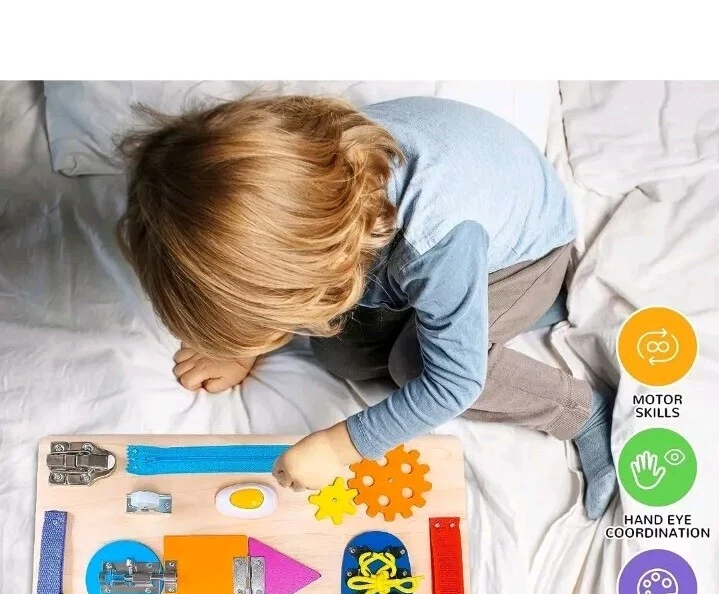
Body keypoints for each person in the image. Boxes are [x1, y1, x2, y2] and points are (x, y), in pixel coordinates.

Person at [118, 94, 616, 518]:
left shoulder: (438, 239)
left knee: (413, 365)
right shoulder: (300, 181)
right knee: (339, 355)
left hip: (525, 261)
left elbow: (454, 383)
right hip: (415, 237)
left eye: (268, 312)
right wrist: (244, 340)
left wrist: (340, 447)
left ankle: (580, 411)